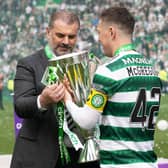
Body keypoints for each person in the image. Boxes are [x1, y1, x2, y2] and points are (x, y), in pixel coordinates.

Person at [63, 7, 162, 168]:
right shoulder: (153, 71)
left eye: (99, 32)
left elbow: (86, 122)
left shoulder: (109, 71)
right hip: (148, 163)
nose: (99, 39)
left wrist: (66, 98)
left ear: (111, 32)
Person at [10, 10, 99, 168]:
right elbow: (20, 105)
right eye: (60, 35)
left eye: (71, 37)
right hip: (41, 156)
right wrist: (42, 100)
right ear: (48, 32)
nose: (66, 41)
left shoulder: (86, 64)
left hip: (81, 155)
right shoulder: (29, 64)